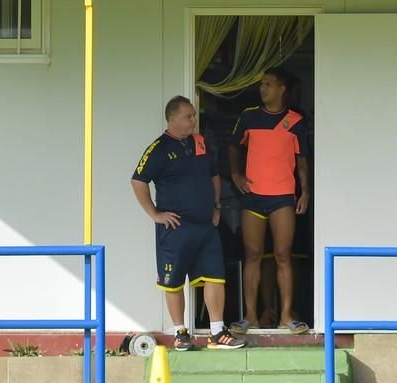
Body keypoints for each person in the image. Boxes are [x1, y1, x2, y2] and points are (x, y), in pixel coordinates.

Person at [131, 95, 246, 351]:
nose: (194, 120)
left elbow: (214, 174)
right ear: (172, 118)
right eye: (188, 116)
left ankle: (218, 332)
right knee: (173, 280)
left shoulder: (201, 143)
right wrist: (155, 214)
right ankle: (180, 332)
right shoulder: (158, 148)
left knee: (216, 277)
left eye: (194, 115)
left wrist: (216, 207)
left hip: (205, 226)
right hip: (176, 228)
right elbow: (138, 181)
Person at [228, 67, 311, 335]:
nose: (262, 88)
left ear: (281, 89)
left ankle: (286, 315)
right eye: (261, 84)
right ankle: (250, 316)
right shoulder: (248, 117)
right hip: (253, 197)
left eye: (268, 84)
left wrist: (306, 191)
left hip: (283, 198)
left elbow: (302, 161)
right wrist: (236, 174)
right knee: (252, 255)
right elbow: (233, 147)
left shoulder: (295, 120)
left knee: (283, 256)